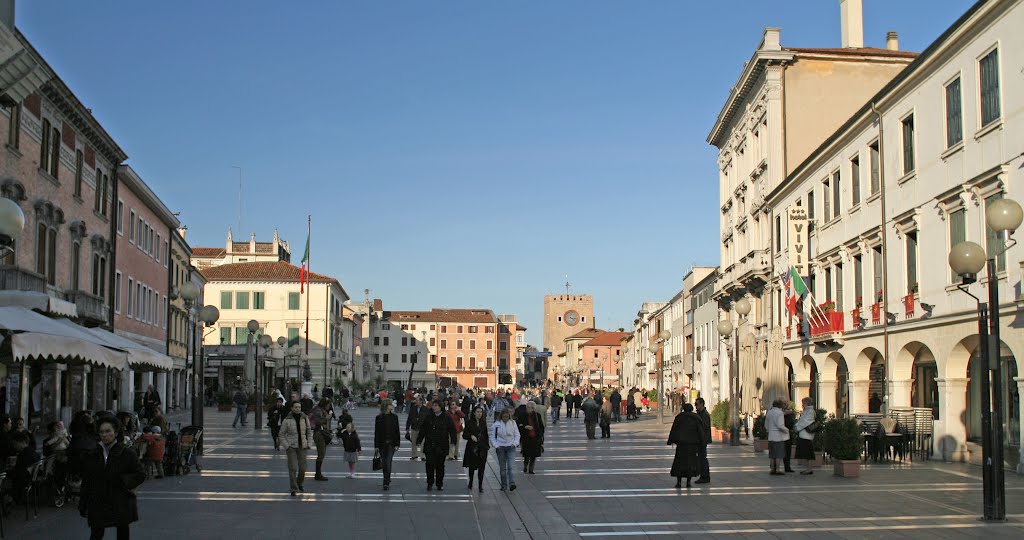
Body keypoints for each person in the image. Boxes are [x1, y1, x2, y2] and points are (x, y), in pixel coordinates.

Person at [79, 417, 146, 540]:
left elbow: (140, 474)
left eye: (108, 431)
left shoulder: (126, 453)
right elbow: (87, 479)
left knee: (122, 532)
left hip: (120, 498)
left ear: (115, 432)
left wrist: (124, 481)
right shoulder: (93, 454)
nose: (105, 435)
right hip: (98, 499)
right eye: (102, 432)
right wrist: (83, 502)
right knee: (96, 532)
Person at [417, 400, 456, 491]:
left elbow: (452, 430)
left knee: (440, 466)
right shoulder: (429, 417)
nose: (434, 407)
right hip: (430, 444)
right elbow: (423, 429)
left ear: (440, 407)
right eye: (433, 405)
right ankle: (430, 482)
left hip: (442, 445)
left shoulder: (446, 418)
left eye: (436, 406)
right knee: (429, 464)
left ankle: (439, 483)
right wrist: (419, 440)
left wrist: (453, 441)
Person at [667, 403, 705, 488]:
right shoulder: (696, 418)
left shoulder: (679, 417)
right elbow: (700, 432)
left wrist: (670, 440)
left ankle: (679, 482)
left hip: (681, 445)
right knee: (690, 464)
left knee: (679, 463)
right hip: (692, 445)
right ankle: (688, 482)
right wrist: (702, 442)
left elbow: (674, 430)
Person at [279, 400, 312, 496]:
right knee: (293, 468)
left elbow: (309, 432)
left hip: (303, 446)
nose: (298, 409)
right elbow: (281, 434)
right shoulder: (287, 420)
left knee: (302, 468)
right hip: (291, 447)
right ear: (292, 408)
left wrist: (309, 443)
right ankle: (293, 488)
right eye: (296, 407)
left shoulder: (305, 418)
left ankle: (299, 483)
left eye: (299, 407)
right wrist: (286, 445)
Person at [374, 401, 401, 490]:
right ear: (386, 406)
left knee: (388, 462)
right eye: (390, 404)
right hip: (382, 443)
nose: (392, 406)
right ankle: (386, 478)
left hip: (391, 444)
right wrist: (376, 446)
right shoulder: (379, 418)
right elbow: (377, 432)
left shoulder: (394, 417)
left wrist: (397, 444)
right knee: (384, 463)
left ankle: (386, 481)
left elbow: (397, 431)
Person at [491, 408, 520, 491]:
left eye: (507, 417)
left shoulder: (513, 423)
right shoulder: (496, 424)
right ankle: (504, 484)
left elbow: (517, 435)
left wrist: (515, 443)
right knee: (502, 468)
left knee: (511, 466)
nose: (505, 418)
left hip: (510, 447)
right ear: (501, 416)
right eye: (504, 417)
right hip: (500, 447)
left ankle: (512, 483)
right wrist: (496, 446)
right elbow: (492, 436)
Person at [462, 407, 489, 492]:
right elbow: (464, 435)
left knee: (482, 467)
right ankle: (471, 482)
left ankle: (480, 485)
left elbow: (486, 435)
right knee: (472, 466)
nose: (479, 414)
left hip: (482, 447)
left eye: (481, 412)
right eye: (477, 412)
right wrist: (471, 436)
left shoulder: (483, 423)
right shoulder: (469, 422)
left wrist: (487, 446)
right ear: (474, 413)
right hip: (472, 447)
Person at [515, 401, 545, 474]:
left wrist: (538, 433)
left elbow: (541, 426)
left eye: (529, 407)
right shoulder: (522, 415)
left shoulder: (537, 416)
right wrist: (525, 426)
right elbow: (518, 424)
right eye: (527, 407)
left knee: (533, 455)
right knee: (526, 454)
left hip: (535, 438)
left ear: (533, 408)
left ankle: (531, 469)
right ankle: (525, 465)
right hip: (526, 437)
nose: (527, 409)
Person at [309, 398, 333, 481]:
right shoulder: (318, 410)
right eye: (328, 404)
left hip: (322, 433)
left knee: (322, 454)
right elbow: (318, 421)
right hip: (319, 434)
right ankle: (318, 474)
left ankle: (318, 473)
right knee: (321, 454)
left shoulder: (321, 410)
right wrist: (327, 417)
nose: (329, 406)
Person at [793, 397, 818, 475]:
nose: (802, 405)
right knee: (805, 452)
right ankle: (808, 468)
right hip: (803, 434)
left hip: (806, 435)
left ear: (806, 403)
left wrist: (797, 428)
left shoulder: (810, 411)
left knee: (808, 452)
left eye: (803, 403)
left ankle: (809, 469)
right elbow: (802, 421)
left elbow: (805, 422)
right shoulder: (807, 411)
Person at [765, 399, 789, 475]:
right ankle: (778, 469)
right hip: (778, 436)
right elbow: (780, 425)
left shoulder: (769, 412)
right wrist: (786, 430)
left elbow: (766, 425)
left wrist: (769, 430)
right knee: (778, 454)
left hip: (771, 436)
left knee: (772, 454)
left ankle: (772, 469)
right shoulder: (780, 413)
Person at [694, 397, 712, 484]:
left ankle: (705, 476)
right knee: (701, 458)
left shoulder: (704, 415)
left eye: (697, 404)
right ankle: (703, 475)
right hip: (700, 439)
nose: (696, 406)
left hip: (702, 439)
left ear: (701, 404)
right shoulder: (700, 414)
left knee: (702, 458)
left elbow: (704, 427)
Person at [406, 397, 428, 461]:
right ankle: (414, 455)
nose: (416, 401)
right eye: (416, 400)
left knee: (423, 442)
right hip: (414, 427)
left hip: (423, 428)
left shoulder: (425, 409)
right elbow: (409, 418)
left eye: (417, 400)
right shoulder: (413, 409)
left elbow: (428, 418)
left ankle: (423, 456)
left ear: (421, 401)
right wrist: (407, 428)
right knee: (413, 442)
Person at [782, 401, 797, 473]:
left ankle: (778, 466)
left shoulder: (785, 414)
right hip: (787, 434)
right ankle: (787, 466)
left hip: (784, 434)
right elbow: (791, 424)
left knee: (786, 451)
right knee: (787, 451)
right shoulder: (789, 415)